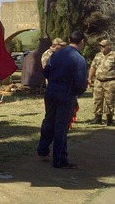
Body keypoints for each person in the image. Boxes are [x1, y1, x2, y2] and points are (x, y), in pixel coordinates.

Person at [37, 31, 87, 169]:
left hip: (51, 92)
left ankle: (42, 149)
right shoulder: (79, 59)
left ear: (69, 39)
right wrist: (76, 92)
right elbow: (81, 83)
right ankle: (59, 160)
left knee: (49, 120)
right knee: (61, 126)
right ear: (82, 42)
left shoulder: (56, 54)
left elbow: (46, 71)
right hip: (66, 94)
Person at [87, 39, 115, 126]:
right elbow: (93, 67)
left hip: (110, 81)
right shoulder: (98, 55)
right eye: (100, 46)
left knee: (109, 100)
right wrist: (89, 78)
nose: (101, 47)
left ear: (109, 46)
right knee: (97, 99)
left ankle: (109, 119)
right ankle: (97, 118)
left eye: (103, 46)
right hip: (98, 81)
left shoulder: (113, 55)